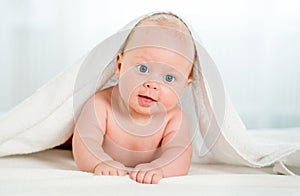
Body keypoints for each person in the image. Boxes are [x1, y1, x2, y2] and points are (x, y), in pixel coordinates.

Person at [72, 12, 196, 184]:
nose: (152, 85)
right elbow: (84, 141)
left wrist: (160, 167)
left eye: (168, 78)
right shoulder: (101, 105)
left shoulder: (174, 118)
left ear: (184, 87)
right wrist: (100, 161)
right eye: (143, 69)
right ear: (120, 66)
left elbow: (180, 154)